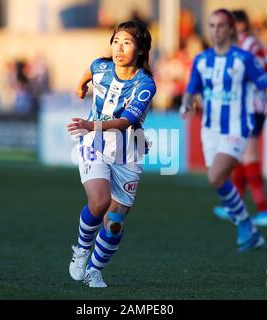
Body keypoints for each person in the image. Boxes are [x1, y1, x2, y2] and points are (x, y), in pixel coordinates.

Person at [67, 20, 156, 287]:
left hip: (127, 153)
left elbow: (125, 122)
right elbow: (89, 72)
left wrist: (89, 123)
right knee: (99, 202)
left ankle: (94, 270)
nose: (119, 47)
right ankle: (82, 250)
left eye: (127, 43)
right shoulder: (101, 66)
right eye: (116, 41)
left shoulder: (145, 84)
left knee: (115, 222)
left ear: (140, 50)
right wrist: (80, 87)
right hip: (94, 143)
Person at [180, 9, 267, 252]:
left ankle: (248, 222)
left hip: (237, 126)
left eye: (221, 25)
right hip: (209, 129)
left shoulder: (243, 58)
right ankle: (249, 229)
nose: (215, 30)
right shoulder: (202, 60)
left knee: (215, 176)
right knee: (218, 180)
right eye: (211, 25)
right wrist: (186, 103)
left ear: (231, 29)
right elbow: (192, 88)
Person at [213, 10, 267, 227]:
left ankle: (263, 210)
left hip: (252, 107)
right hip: (240, 107)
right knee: (239, 155)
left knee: (248, 155)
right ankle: (234, 207)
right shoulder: (233, 47)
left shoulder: (250, 46)